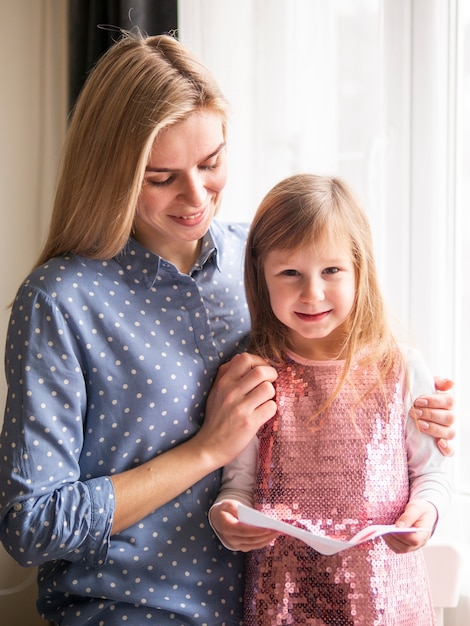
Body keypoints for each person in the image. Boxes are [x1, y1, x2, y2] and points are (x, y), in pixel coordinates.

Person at [0, 32, 454, 626]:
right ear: (112, 172)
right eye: (161, 177)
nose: (196, 197)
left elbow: (357, 353)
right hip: (134, 612)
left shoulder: (265, 260)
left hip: (284, 608)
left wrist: (418, 411)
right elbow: (33, 526)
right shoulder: (61, 302)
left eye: (210, 163)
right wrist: (206, 450)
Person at [209, 173, 452, 626]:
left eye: (332, 271)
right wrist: (227, 518)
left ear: (360, 268)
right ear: (261, 277)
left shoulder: (401, 369)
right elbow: (238, 486)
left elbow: (431, 476)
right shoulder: (255, 375)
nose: (312, 293)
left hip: (389, 603)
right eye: (290, 273)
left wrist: (425, 512)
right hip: (282, 603)